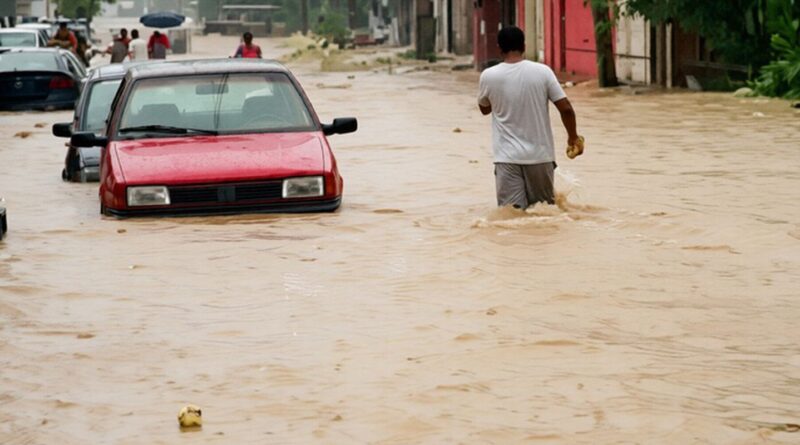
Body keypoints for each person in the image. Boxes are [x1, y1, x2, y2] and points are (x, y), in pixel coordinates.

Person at [477, 26, 581, 209]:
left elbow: (484, 109)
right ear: (524, 46)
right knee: (544, 215)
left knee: (512, 217)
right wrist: (573, 137)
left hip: (506, 159)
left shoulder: (488, 76)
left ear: (499, 48)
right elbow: (566, 109)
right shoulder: (543, 72)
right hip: (540, 158)